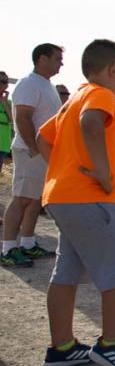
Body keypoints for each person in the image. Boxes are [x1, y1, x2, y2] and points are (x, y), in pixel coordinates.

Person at [36, 38, 115, 366]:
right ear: (112, 70)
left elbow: (43, 139)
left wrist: (63, 170)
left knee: (67, 270)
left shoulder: (73, 98)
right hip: (89, 198)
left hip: (61, 196)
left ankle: (62, 348)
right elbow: (90, 124)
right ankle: (111, 344)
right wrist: (102, 171)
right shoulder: (100, 95)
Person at [1, 44, 63, 268]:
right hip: (30, 151)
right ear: (42, 59)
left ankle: (28, 243)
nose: (61, 63)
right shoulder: (28, 83)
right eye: (57, 59)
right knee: (22, 199)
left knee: (35, 200)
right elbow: (23, 118)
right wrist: (34, 149)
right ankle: (8, 249)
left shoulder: (46, 85)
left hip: (42, 152)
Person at [0, 72, 11, 229]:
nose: (3, 84)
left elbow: (11, 118)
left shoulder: (6, 102)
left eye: (5, 82)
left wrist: (3, 101)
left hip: (2, 146)